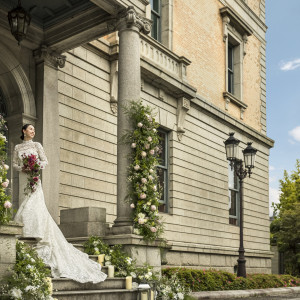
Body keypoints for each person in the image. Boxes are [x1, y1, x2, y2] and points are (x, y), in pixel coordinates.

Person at [13, 124, 107, 283]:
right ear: (23, 131)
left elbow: (45, 161)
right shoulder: (17, 147)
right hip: (24, 178)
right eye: (30, 129)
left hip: (34, 179)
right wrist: (23, 167)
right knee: (26, 202)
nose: (33, 131)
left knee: (33, 203)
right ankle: (28, 228)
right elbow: (14, 165)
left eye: (34, 129)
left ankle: (35, 230)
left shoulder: (37, 145)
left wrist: (34, 166)